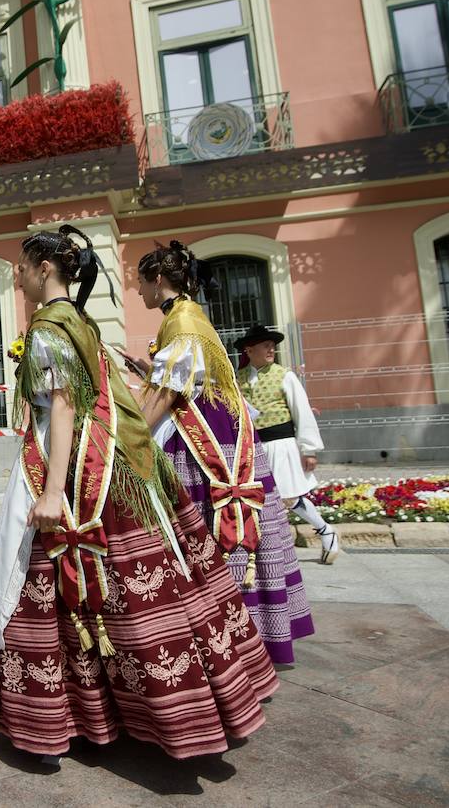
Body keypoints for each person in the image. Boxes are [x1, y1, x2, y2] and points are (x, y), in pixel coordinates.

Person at [0, 226, 277, 760]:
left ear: (43, 270)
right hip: (111, 457)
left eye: (21, 265)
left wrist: (53, 490)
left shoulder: (48, 328)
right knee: (147, 584)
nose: (15, 273)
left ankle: (62, 714)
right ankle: (175, 701)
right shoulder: (80, 320)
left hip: (72, 465)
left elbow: (60, 406)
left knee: (43, 582)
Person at [135, 241, 314, 664]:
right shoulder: (191, 317)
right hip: (225, 426)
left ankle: (226, 642)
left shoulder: (181, 323)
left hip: (203, 441)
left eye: (140, 283)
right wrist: (147, 370)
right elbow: (186, 376)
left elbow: (168, 393)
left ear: (157, 280)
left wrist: (130, 434)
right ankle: (253, 631)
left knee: (201, 529)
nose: (139, 291)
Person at [234, 324, 342, 564]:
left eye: (273, 345)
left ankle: (326, 532)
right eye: (265, 345)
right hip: (255, 447)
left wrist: (309, 449)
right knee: (258, 498)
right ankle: (264, 549)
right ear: (249, 350)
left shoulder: (285, 376)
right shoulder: (238, 379)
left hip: (282, 445)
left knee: (287, 496)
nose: (271, 349)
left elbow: (301, 412)